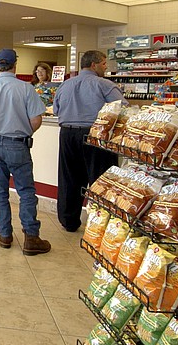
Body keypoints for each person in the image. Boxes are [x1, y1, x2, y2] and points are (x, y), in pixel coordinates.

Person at [0, 49, 51, 255]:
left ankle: (5, 235)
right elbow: (36, 119)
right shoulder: (25, 89)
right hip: (18, 144)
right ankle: (31, 238)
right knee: (25, 191)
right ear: (15, 65)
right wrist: (22, 132)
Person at [53, 50, 127, 232]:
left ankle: (68, 220)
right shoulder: (105, 85)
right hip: (96, 135)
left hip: (67, 134)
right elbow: (123, 110)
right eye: (103, 64)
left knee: (69, 177)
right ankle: (100, 223)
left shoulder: (65, 85)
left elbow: (56, 110)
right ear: (94, 65)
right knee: (101, 179)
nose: (106, 67)